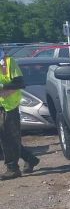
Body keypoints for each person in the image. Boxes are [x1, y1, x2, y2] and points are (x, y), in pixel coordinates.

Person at [0, 48, 39, 179]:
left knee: (8, 138)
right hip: (2, 106)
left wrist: (2, 88)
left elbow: (20, 82)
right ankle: (29, 158)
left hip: (9, 107)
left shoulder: (8, 62)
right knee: (8, 138)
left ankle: (12, 168)